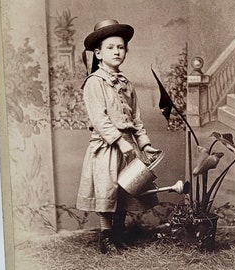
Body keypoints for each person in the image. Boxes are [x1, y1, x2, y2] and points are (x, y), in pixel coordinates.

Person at [76, 19, 162, 255]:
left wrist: (144, 144)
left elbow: (136, 119)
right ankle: (105, 238)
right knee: (107, 190)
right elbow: (99, 119)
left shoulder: (127, 83)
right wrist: (120, 142)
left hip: (129, 145)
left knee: (125, 189)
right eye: (110, 47)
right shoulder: (94, 83)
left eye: (121, 47)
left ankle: (117, 234)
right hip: (107, 145)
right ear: (98, 53)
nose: (116, 51)